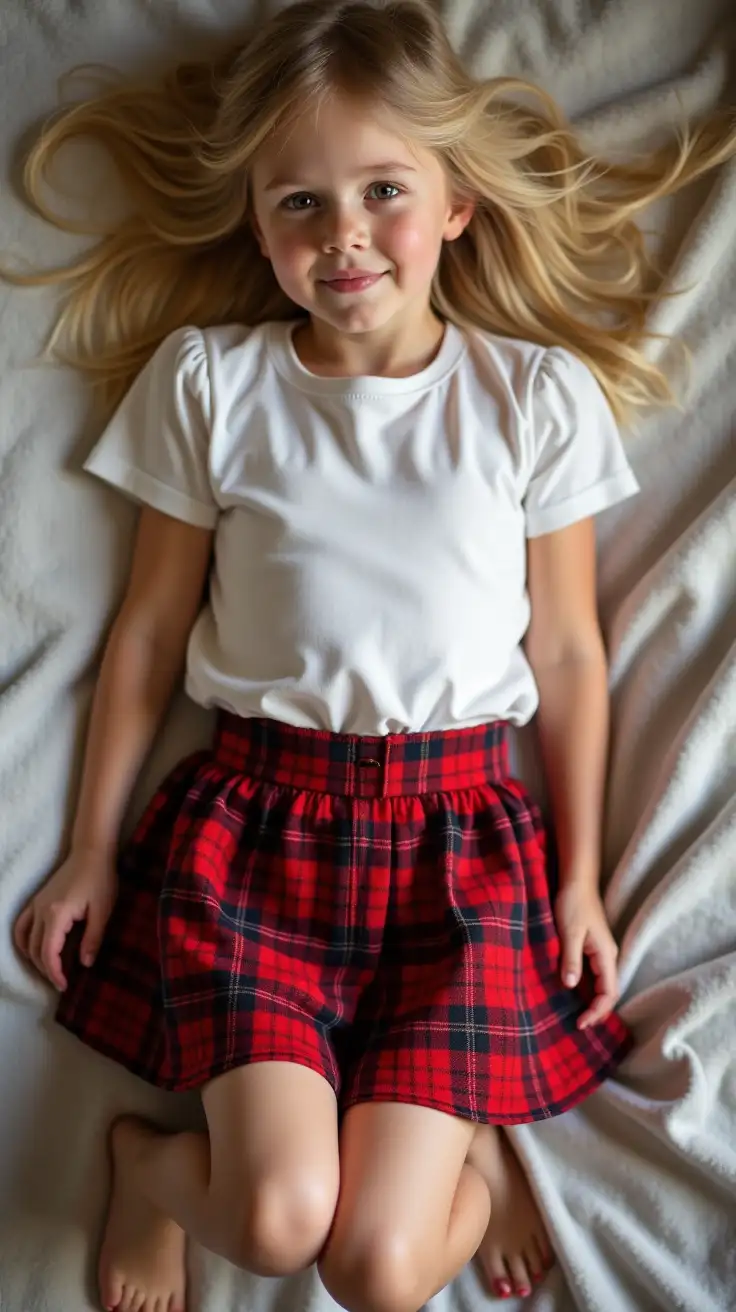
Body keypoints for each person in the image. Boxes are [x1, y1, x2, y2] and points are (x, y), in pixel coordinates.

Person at [8, 2, 736, 1310]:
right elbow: (148, 637)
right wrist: (90, 849)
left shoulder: (531, 398)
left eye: (383, 191)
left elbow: (569, 654)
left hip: (461, 856)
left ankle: (472, 1154)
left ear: (456, 203)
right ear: (254, 220)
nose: (342, 235)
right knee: (281, 1220)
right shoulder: (210, 386)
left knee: (385, 1272)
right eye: (298, 202)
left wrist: (576, 881)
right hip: (252, 842)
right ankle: (150, 1168)